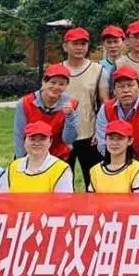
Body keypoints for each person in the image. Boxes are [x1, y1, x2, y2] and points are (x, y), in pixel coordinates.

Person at [60, 27, 109, 188]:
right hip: (62, 134)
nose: (79, 48)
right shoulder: (56, 70)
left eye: (83, 44)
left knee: (93, 181)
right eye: (75, 44)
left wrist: (100, 130)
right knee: (63, 182)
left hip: (89, 133)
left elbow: (105, 103)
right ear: (65, 46)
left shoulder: (98, 70)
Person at [95, 65, 139, 168]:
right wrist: (117, 168)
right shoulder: (105, 109)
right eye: (120, 86)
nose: (126, 90)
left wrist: (134, 172)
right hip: (115, 162)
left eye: (130, 85)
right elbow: (103, 144)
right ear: (114, 90)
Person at [13, 63, 78, 161]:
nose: (56, 87)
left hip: (57, 157)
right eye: (53, 82)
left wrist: (70, 115)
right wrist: (22, 161)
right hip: (30, 155)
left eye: (61, 84)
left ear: (66, 86)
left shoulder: (71, 104)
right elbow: (19, 136)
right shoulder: (24, 103)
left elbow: (68, 139)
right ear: (44, 82)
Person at [6, 121, 74, 192]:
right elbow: (4, 196)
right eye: (32, 139)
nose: (37, 143)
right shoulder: (13, 167)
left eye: (42, 139)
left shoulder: (61, 169)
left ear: (50, 142)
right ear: (25, 141)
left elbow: (64, 199)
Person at [88, 120, 139, 193]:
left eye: (120, 138)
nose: (114, 143)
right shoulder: (95, 170)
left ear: (130, 141)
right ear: (105, 140)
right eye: (111, 138)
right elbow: (91, 199)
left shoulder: (137, 169)